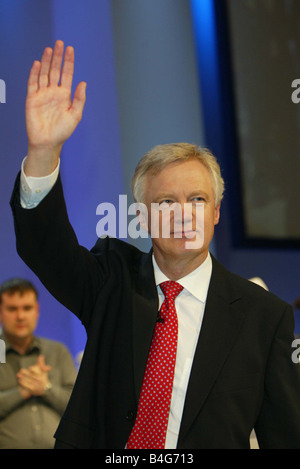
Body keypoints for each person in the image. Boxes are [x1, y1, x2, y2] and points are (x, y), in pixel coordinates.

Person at [9, 40, 300, 449]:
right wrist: (43, 152)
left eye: (197, 200)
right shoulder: (111, 279)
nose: (183, 214)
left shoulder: (263, 317)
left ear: (216, 212)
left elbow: (284, 435)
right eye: (166, 202)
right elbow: (45, 247)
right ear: (142, 216)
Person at [0, 277, 76, 448]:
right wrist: (22, 391)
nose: (20, 316)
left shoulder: (57, 351)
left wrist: (46, 388)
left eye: (27, 308)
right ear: (1, 311)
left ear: (37, 310)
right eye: (12, 309)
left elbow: (78, 408)